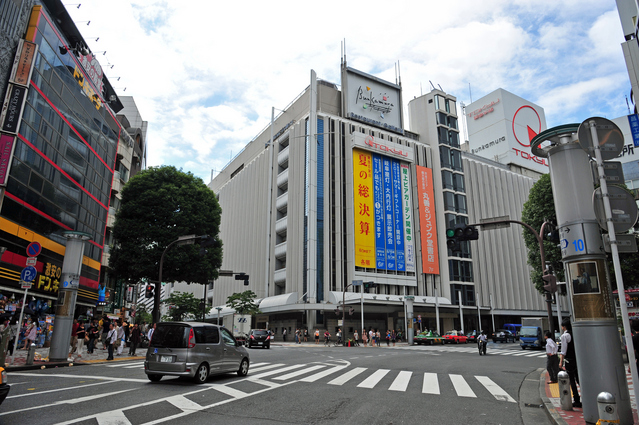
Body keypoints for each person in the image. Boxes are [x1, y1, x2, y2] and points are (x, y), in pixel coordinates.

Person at [559, 318, 581, 408]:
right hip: (577, 359)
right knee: (579, 379)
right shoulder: (575, 333)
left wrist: (561, 362)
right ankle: (588, 397)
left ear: (564, 327)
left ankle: (576, 400)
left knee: (571, 380)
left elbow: (563, 351)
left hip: (569, 360)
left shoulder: (565, 336)